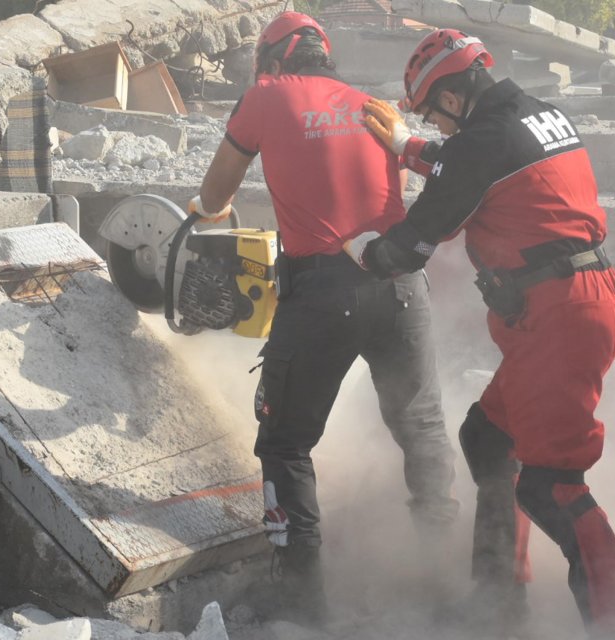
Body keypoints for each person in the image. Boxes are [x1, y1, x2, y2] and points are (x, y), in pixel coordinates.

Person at [344, 29, 615, 639]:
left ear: (453, 97)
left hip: (559, 315)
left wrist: (358, 251)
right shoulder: (535, 115)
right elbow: (469, 166)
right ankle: (497, 603)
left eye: (432, 113)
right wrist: (407, 146)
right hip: (575, 301)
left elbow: (409, 248)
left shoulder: (481, 143)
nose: (435, 124)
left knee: (552, 483)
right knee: (488, 439)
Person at [191, 11, 459, 626]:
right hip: (401, 286)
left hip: (322, 292)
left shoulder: (265, 95)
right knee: (421, 431)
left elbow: (214, 198)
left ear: (272, 60)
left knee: (285, 442)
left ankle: (301, 605)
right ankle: (442, 585)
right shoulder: (368, 103)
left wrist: (202, 209)